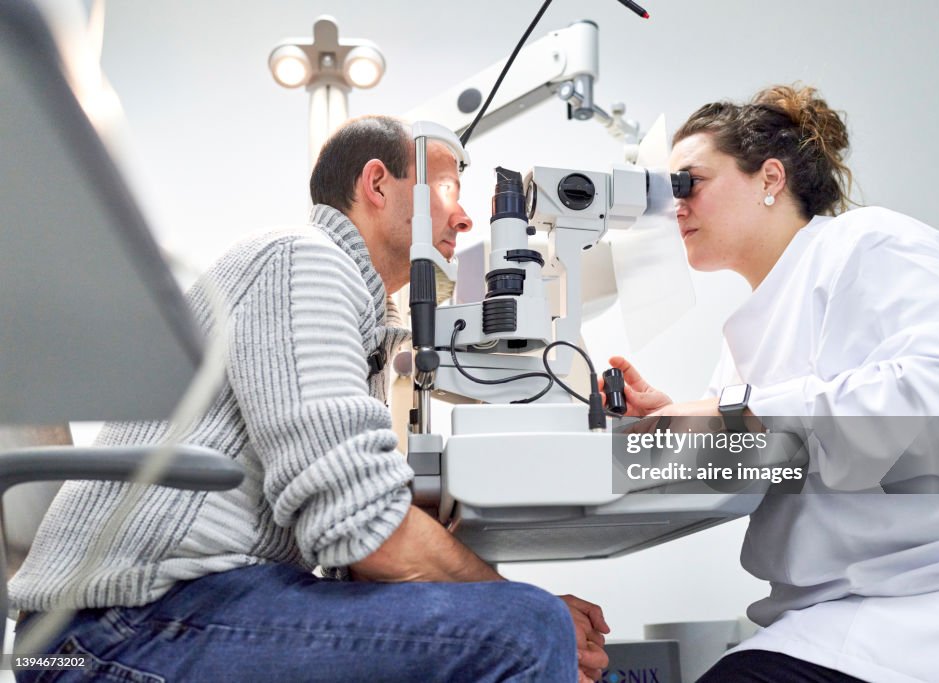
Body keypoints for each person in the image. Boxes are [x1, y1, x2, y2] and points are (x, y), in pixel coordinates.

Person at [11, 115, 609, 683]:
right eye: (449, 187)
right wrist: (522, 607)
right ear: (376, 183)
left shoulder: (363, 317)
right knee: (524, 629)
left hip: (166, 613)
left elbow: (355, 542)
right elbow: (364, 531)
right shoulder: (302, 258)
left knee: (518, 627)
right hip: (109, 633)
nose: (465, 218)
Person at [610, 86, 939, 682]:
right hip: (842, 609)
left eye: (689, 182)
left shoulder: (870, 243)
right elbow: (782, 441)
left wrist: (731, 416)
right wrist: (672, 419)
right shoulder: (751, 331)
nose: (676, 206)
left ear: (769, 178)